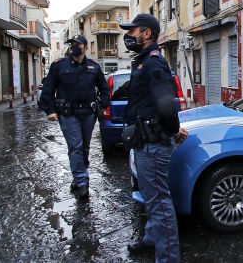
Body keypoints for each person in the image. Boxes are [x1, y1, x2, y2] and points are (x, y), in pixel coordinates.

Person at [120, 13, 188, 263]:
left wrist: (172, 130)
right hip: (144, 141)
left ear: (146, 33)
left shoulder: (153, 62)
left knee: (159, 203)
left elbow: (166, 105)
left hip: (153, 144)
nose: (128, 35)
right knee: (151, 198)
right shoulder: (144, 61)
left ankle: (168, 258)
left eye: (132, 30)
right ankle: (151, 238)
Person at [40, 34, 110, 199]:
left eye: (78, 44)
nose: (74, 46)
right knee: (75, 146)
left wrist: (103, 105)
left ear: (85, 48)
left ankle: (78, 176)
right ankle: (82, 181)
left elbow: (104, 88)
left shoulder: (94, 67)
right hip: (68, 114)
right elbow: (48, 88)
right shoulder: (59, 66)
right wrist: (50, 110)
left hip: (88, 114)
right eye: (72, 44)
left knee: (84, 147)